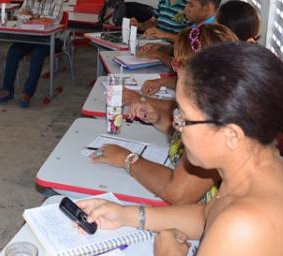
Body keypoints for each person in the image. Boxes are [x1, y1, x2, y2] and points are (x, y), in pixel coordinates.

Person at [78, 43, 283, 255]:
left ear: (231, 135)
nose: (177, 127)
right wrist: (126, 214)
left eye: (184, 118)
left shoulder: (243, 226)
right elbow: (206, 215)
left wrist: (168, 253)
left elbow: (224, 222)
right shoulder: (266, 165)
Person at [93, 24, 239, 205]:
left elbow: (178, 193)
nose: (174, 69)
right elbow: (186, 139)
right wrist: (159, 119)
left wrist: (126, 158)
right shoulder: (211, 106)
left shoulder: (219, 125)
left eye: (177, 63)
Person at [0, 0, 64, 108]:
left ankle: (27, 92)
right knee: (13, 51)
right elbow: (19, 15)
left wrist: (31, 17)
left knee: (37, 54)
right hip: (29, 36)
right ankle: (7, 89)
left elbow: (53, 20)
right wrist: (38, 18)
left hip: (50, 39)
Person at [138, 0, 223, 65]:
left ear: (207, 7)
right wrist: (160, 48)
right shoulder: (197, 25)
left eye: (191, 5)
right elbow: (186, 50)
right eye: (187, 4)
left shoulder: (212, 34)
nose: (186, 9)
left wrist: (159, 55)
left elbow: (188, 69)